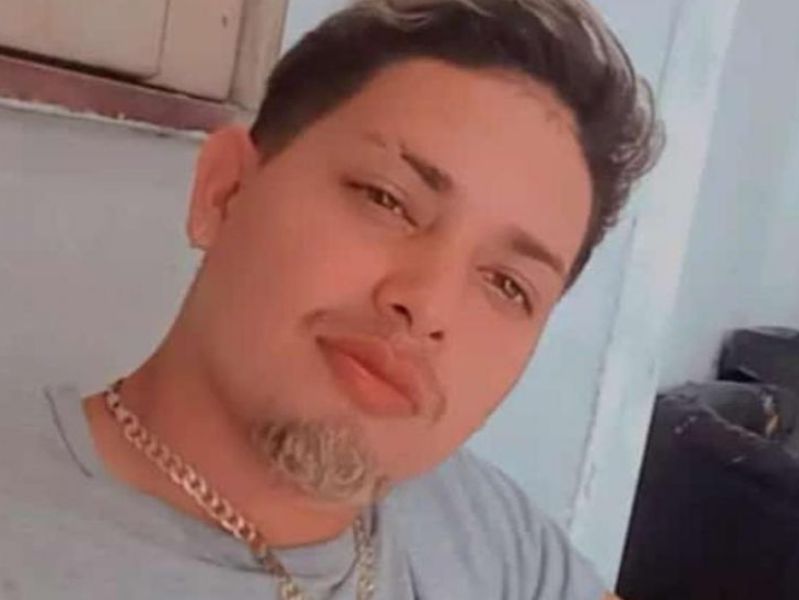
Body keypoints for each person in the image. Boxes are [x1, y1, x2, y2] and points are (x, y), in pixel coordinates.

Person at [0, 0, 662, 598]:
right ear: (225, 191)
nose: (428, 305)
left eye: (508, 284)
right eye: (387, 199)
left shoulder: (489, 535)